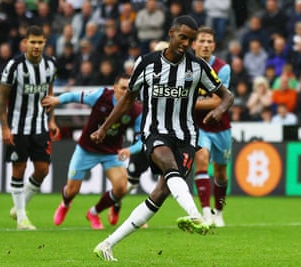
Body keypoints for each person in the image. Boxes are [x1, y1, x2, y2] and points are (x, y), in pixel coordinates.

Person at [91, 15, 234, 262]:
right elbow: (127, 99)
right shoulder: (146, 63)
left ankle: (107, 244)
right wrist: (104, 127)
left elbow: (227, 95)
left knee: (159, 194)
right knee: (169, 167)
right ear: (171, 33)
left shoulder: (197, 66)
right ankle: (196, 215)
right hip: (154, 132)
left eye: (190, 40)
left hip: (186, 137)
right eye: (183, 37)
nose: (186, 43)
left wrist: (219, 110)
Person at [41, 74, 143, 230]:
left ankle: (94, 213)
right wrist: (57, 100)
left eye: (129, 89)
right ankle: (65, 203)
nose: (126, 92)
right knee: (72, 190)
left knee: (121, 188)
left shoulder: (136, 110)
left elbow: (142, 140)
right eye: (122, 88)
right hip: (86, 149)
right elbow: (75, 96)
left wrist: (130, 150)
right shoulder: (101, 95)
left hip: (111, 152)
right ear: (114, 87)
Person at [0, 25, 60, 230]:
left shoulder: (50, 65)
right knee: (19, 168)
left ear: (45, 43)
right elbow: (2, 97)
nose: (36, 46)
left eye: (40, 42)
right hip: (17, 126)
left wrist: (51, 119)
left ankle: (19, 206)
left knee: (42, 170)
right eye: (32, 42)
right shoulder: (14, 66)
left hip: (40, 125)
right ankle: (22, 219)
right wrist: (5, 128)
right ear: (25, 42)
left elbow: (49, 92)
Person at [191, 26, 231, 227]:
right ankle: (206, 212)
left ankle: (219, 212)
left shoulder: (223, 68)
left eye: (209, 42)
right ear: (194, 44)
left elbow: (217, 101)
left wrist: (188, 101)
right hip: (198, 126)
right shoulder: (187, 67)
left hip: (221, 126)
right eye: (202, 41)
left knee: (221, 172)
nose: (206, 45)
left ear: (214, 45)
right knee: (202, 159)